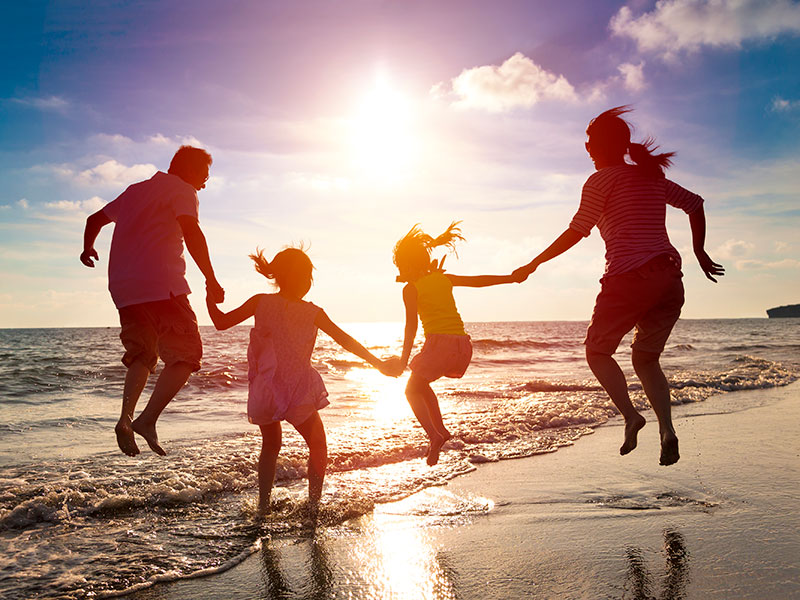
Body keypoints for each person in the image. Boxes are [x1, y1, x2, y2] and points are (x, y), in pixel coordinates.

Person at [513, 106, 724, 466]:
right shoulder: (649, 177)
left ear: (603, 146)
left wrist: (535, 262)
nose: (587, 147)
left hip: (629, 278)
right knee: (645, 358)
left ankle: (631, 416)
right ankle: (667, 430)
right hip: (670, 280)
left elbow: (577, 230)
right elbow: (695, 204)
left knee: (597, 352)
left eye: (591, 141)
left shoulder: (600, 181)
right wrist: (700, 252)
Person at [206, 246, 396, 520]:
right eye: (307, 275)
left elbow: (221, 322)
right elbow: (345, 341)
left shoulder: (259, 301)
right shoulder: (313, 312)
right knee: (317, 442)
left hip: (265, 388)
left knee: (271, 445)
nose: (309, 282)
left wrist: (209, 299)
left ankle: (262, 508)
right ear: (294, 277)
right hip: (296, 389)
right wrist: (378, 364)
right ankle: (313, 505)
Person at [80, 145, 224, 457]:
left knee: (142, 355)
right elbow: (192, 230)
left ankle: (125, 418)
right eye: (204, 174)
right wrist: (211, 279)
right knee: (187, 356)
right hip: (164, 286)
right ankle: (147, 420)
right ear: (187, 169)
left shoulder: (134, 191)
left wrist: (87, 248)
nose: (205, 182)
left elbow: (94, 220)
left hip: (124, 290)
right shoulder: (182, 190)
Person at [385, 222, 523, 466]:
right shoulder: (443, 278)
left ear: (409, 265)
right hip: (462, 346)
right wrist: (510, 278)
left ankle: (434, 435)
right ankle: (441, 432)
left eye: (400, 265)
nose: (399, 270)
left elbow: (411, 327)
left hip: (439, 344)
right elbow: (478, 281)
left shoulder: (410, 289)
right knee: (421, 384)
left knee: (410, 390)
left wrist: (404, 360)